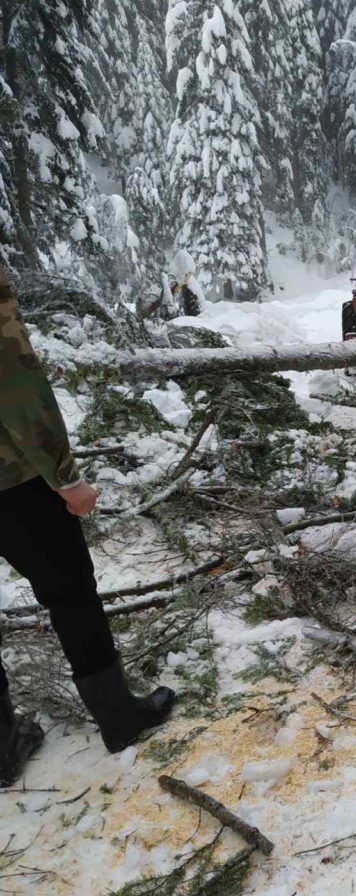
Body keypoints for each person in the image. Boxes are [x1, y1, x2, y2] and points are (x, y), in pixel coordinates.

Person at [0, 265, 176, 787]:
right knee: (71, 593)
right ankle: (119, 717)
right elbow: (14, 387)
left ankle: (2, 748)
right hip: (12, 482)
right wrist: (66, 478)